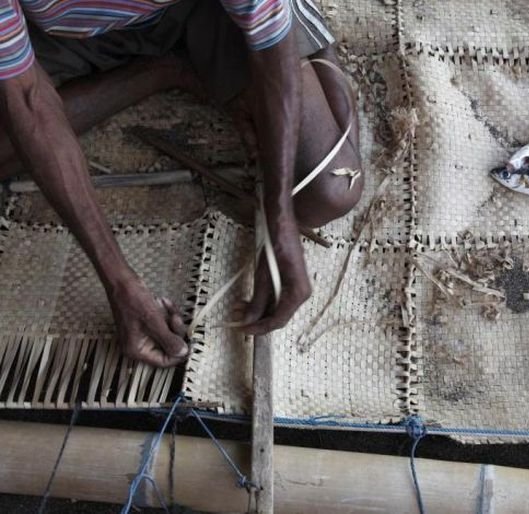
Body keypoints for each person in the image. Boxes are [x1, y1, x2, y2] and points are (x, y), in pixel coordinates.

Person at [0, 0, 362, 367]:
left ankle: (303, 26)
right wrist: (118, 280)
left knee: (328, 192)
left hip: (201, 10)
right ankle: (162, 71)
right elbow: (28, 100)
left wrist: (279, 214)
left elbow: (270, 42)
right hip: (62, 35)